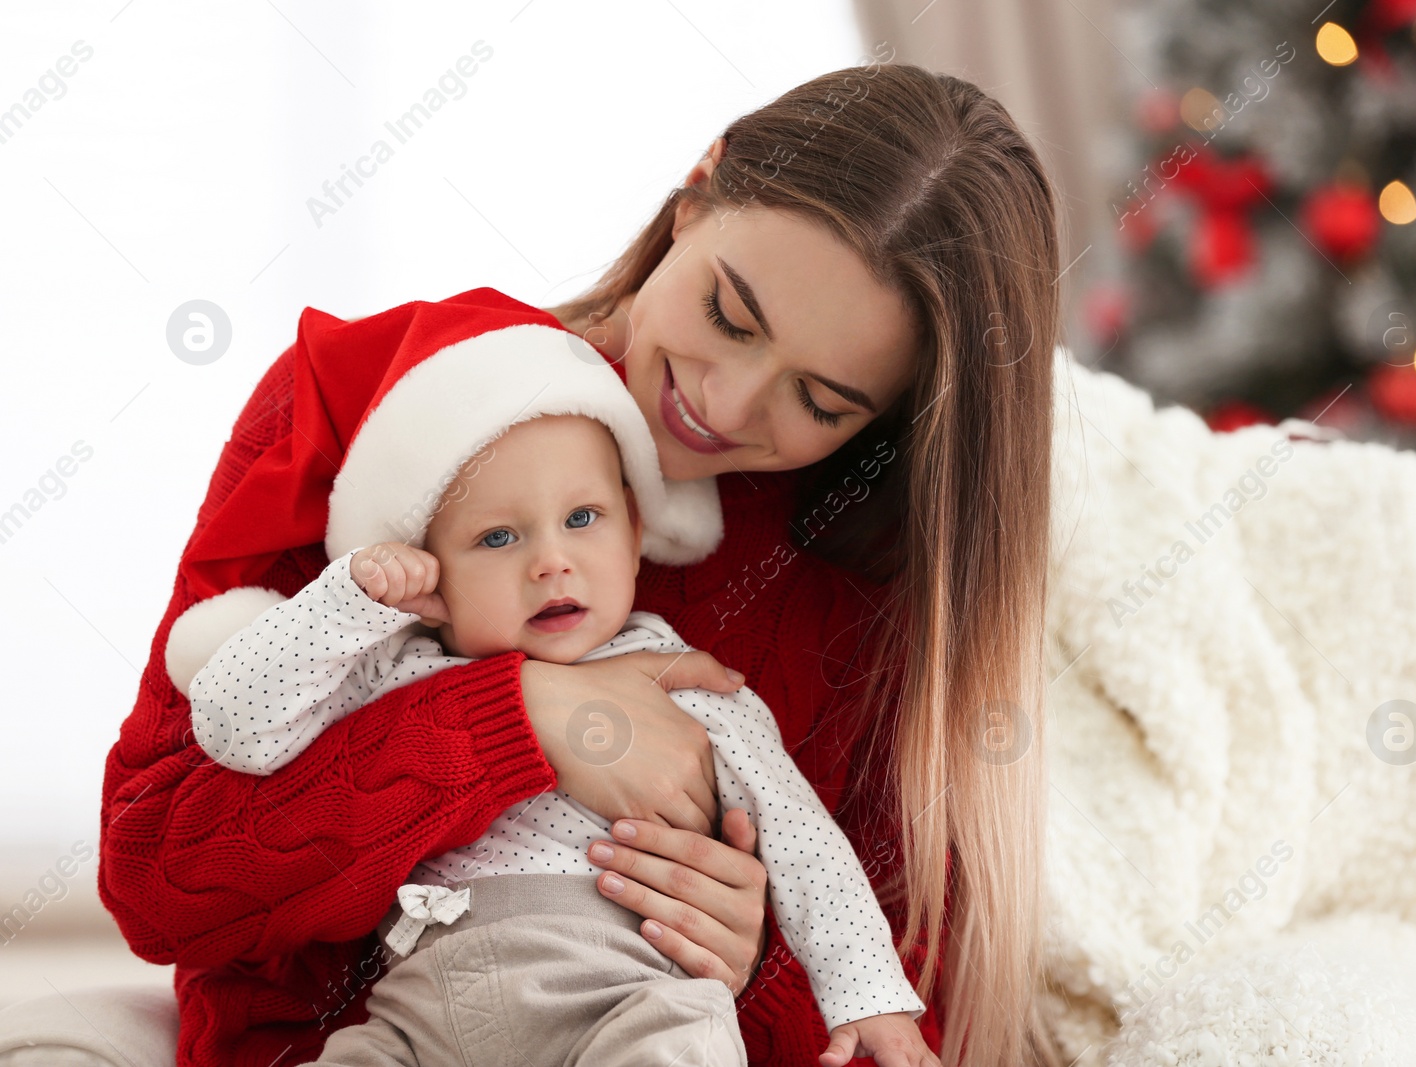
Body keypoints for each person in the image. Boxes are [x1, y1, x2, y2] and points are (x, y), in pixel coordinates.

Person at [83, 62, 1061, 1067]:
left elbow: (902, 1024)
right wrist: (523, 722)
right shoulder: (371, 402)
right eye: (729, 315)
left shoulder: (862, 574)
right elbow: (161, 883)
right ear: (695, 193)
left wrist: (746, 960)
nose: (724, 407)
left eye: (819, 401)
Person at [181, 325, 939, 1065]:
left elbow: (801, 838)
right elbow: (234, 727)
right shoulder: (397, 679)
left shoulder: (689, 687)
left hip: (625, 1001)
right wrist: (347, 599)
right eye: (498, 537)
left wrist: (868, 994)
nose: (552, 563)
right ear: (431, 580)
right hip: (419, 1016)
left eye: (582, 519)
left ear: (637, 529)